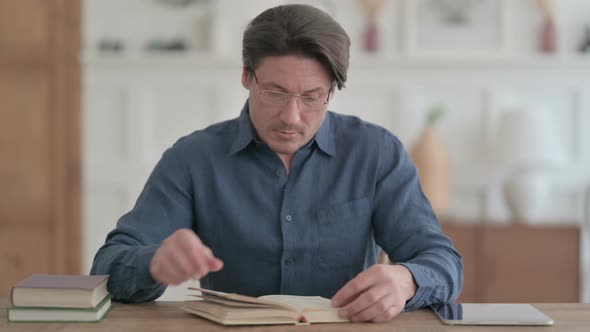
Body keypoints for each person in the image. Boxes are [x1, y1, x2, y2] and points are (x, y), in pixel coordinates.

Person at [91, 4, 463, 322]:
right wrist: (154, 262)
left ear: (332, 91)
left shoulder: (377, 153)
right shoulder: (193, 159)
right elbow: (107, 266)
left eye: (312, 97)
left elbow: (442, 261)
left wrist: (406, 280)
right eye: (275, 92)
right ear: (246, 77)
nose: (292, 117)